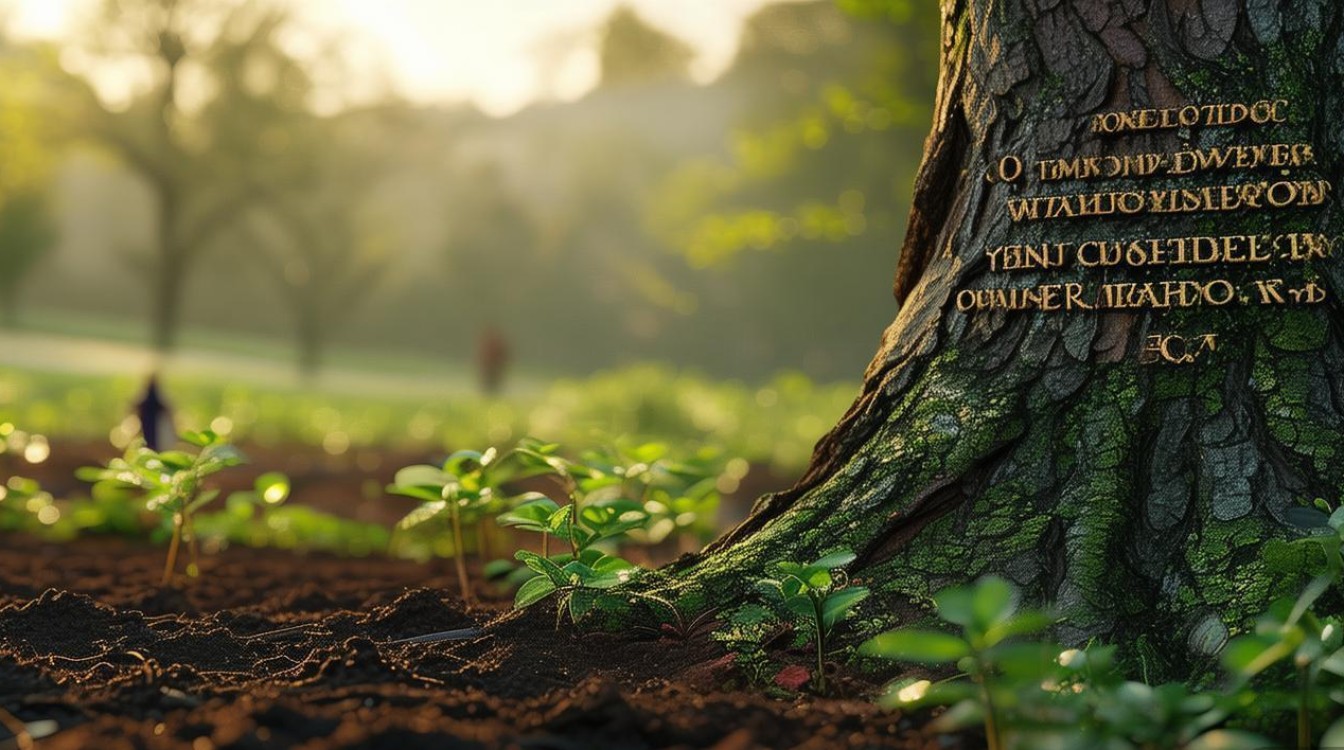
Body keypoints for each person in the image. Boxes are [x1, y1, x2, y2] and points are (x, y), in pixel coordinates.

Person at [135, 374, 176, 450]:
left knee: (149, 439)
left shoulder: (148, 394)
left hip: (148, 420)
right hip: (152, 422)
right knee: (152, 440)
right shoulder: (155, 394)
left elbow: (137, 406)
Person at [477, 325, 509, 396]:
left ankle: (492, 396)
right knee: (488, 385)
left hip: (494, 369)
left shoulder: (497, 345)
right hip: (489, 368)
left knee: (494, 384)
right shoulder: (488, 345)